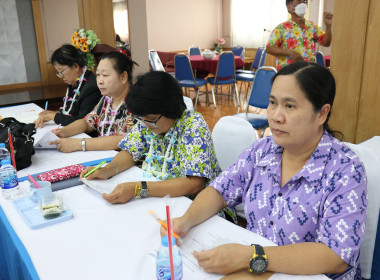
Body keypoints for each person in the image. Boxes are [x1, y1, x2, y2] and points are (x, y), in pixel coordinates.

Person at [168, 62, 367, 279]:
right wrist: (185, 221)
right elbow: (220, 190)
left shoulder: (345, 170)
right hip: (259, 267)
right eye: (273, 103)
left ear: (321, 114)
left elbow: (336, 256)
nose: (276, 116)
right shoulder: (262, 150)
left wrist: (251, 256)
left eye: (290, 106)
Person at [80, 71, 221, 204]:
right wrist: (108, 170)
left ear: (171, 109)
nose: (146, 124)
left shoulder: (192, 124)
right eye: (142, 119)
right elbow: (130, 151)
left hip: (196, 204)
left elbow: (194, 184)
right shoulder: (147, 120)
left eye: (151, 119)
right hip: (159, 198)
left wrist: (139, 189)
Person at [50, 51, 136, 153]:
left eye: (105, 75)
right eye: (98, 75)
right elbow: (87, 123)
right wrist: (62, 132)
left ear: (123, 77)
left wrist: (79, 144)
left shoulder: (136, 103)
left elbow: (123, 140)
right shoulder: (107, 99)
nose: (99, 80)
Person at [34, 44, 102, 128]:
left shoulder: (91, 87)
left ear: (75, 66)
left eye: (61, 71)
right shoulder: (74, 82)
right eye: (58, 73)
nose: (61, 76)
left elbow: (83, 122)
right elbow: (70, 112)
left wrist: (53, 116)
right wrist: (54, 113)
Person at [266, 0, 333, 70]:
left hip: (309, 72)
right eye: (299, 2)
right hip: (288, 73)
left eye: (305, 2)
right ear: (289, 7)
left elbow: (326, 43)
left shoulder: (312, 26)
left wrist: (328, 26)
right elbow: (269, 48)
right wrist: (290, 52)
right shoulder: (281, 28)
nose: (303, 5)